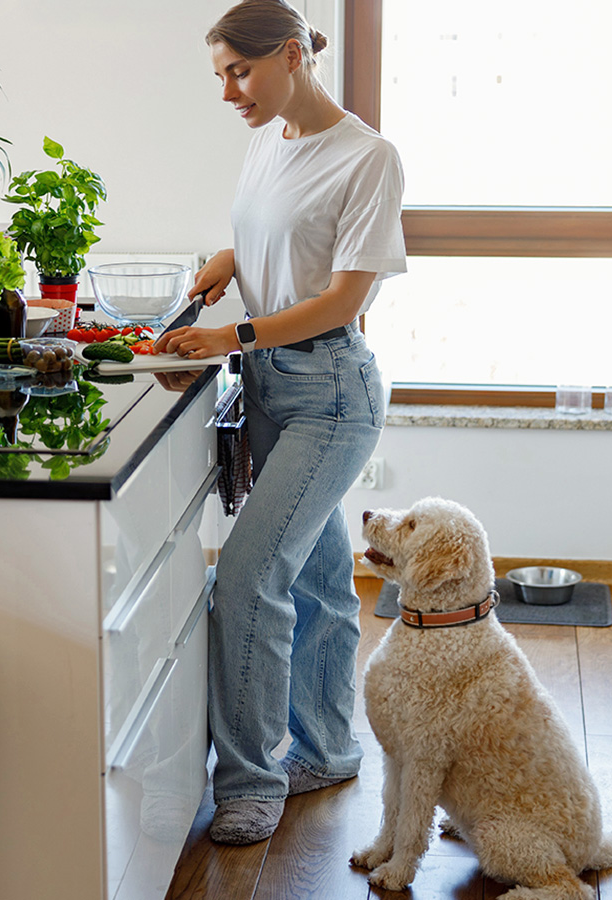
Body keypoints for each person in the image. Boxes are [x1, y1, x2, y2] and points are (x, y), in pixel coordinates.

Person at [155, 0, 406, 845]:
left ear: (293, 55)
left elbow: (342, 297)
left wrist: (232, 334)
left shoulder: (368, 157)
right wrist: (228, 263)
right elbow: (269, 235)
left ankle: (251, 779)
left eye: (240, 71)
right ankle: (330, 750)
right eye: (221, 75)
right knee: (320, 583)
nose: (229, 91)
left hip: (331, 397)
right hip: (268, 386)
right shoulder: (269, 138)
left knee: (247, 577)